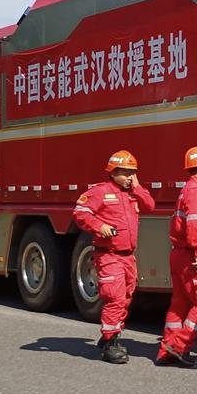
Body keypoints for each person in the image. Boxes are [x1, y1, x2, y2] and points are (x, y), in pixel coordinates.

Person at [72, 151, 156, 364]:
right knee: (114, 298)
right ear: (113, 172)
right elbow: (80, 212)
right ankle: (110, 343)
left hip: (128, 257)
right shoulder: (101, 191)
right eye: (125, 173)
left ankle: (111, 335)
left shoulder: (133, 193)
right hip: (109, 256)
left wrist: (137, 187)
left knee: (126, 298)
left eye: (132, 173)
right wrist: (99, 226)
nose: (129, 177)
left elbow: (150, 206)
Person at [156, 146, 197, 367]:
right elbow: (196, 224)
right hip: (194, 255)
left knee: (179, 305)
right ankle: (179, 347)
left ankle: (166, 350)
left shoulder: (188, 189)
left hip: (181, 254)